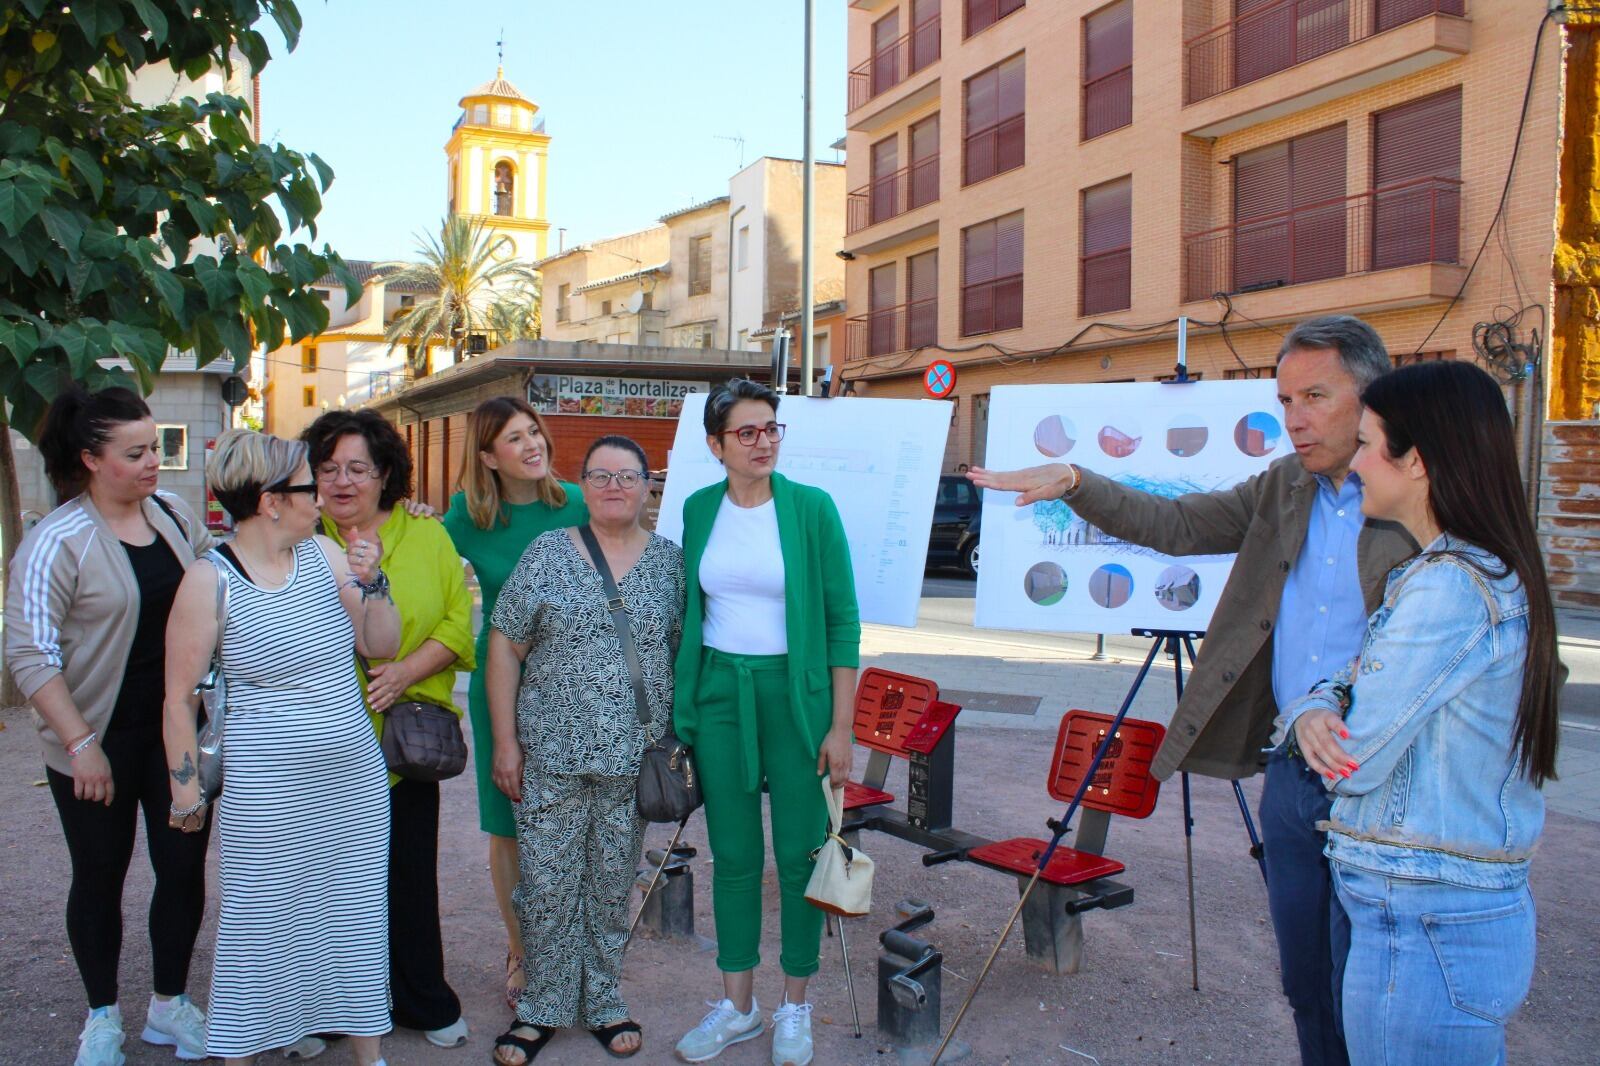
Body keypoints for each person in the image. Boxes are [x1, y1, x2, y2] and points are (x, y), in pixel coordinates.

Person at [969, 315, 1417, 1066]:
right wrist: (1078, 481)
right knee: (1307, 981)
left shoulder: (1417, 498)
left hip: (1389, 778)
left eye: (1316, 396)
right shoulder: (1284, 485)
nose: (1296, 419)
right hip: (1295, 773)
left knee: (1375, 985)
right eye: (1284, 401)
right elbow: (1176, 524)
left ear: (1372, 399)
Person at [1278, 361, 1560, 1064]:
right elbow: (1343, 686)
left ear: (1419, 463)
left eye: (1370, 443)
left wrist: (1319, 717)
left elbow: (1353, 758)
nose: (1357, 461)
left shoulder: (1448, 589)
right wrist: (1314, 706)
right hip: (1430, 913)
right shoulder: (1448, 573)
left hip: (1427, 921)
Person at [162, 429, 400, 1065]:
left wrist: (374, 581)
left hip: (351, 779)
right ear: (270, 501)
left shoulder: (324, 555)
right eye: (307, 484)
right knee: (260, 924)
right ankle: (240, 1047)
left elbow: (381, 645)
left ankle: (366, 1052)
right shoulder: (209, 580)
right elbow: (178, 699)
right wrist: (186, 792)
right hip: (268, 786)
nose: (322, 493)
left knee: (353, 915)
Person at [4, 388, 216, 1066]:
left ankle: (169, 1005)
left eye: (155, 447)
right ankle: (101, 1018)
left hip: (176, 739)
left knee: (181, 870)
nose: (155, 462)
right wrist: (80, 743)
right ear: (91, 459)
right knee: (99, 875)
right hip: (95, 743)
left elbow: (221, 584)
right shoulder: (54, 542)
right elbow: (29, 654)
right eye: (137, 453)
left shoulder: (176, 516)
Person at [672, 378, 862, 1066]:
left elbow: (842, 622)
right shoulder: (697, 510)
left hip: (796, 697)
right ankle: (738, 1006)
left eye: (772, 428)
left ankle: (795, 1007)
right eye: (747, 432)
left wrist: (840, 727)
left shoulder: (811, 509)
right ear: (715, 444)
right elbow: (688, 607)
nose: (763, 442)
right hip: (721, 692)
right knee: (733, 855)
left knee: (801, 854)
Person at [484, 435, 684, 1064]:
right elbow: (504, 647)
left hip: (634, 763)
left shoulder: (672, 565)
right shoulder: (547, 554)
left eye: (629, 476)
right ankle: (542, 1003)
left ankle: (602, 1000)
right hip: (549, 757)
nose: (615, 486)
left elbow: (687, 656)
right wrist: (506, 743)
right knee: (544, 885)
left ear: (649, 486)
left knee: (609, 884)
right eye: (601, 475)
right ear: (584, 485)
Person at [298, 410, 475, 1053]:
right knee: (323, 880)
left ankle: (421, 997)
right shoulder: (295, 536)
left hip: (403, 742)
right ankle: (319, 1007)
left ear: (384, 474)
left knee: (408, 874)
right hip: (318, 740)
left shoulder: (425, 535)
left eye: (358, 468)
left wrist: (404, 671)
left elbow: (458, 624)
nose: (343, 482)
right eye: (328, 468)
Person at [442, 396, 588, 1011]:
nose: (532, 445)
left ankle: (574, 950)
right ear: (487, 456)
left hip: (577, 682)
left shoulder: (577, 502)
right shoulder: (465, 517)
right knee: (508, 827)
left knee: (577, 821)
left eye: (535, 432)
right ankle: (522, 949)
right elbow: (420, 562)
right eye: (514, 438)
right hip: (501, 683)